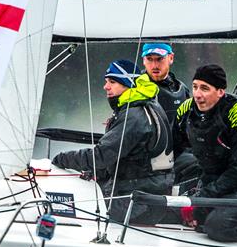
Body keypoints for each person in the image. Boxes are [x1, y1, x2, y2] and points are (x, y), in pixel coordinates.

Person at [51, 59, 173, 224]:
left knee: (67, 203)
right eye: (106, 81)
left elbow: (101, 156)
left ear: (128, 85)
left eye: (112, 82)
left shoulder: (134, 115)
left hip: (136, 203)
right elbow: (129, 158)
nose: (106, 86)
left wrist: (60, 159)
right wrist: (97, 173)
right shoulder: (147, 105)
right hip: (147, 197)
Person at [173, 64, 237, 242]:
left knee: (217, 228)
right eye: (194, 87)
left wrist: (202, 198)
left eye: (204, 88)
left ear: (220, 92)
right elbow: (174, 147)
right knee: (184, 215)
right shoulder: (186, 109)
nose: (197, 94)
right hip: (214, 182)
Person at [141, 42, 200, 193]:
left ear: (171, 58)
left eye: (159, 59)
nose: (154, 65)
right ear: (143, 61)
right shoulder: (136, 89)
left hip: (179, 153)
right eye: (149, 59)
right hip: (151, 160)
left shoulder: (182, 89)